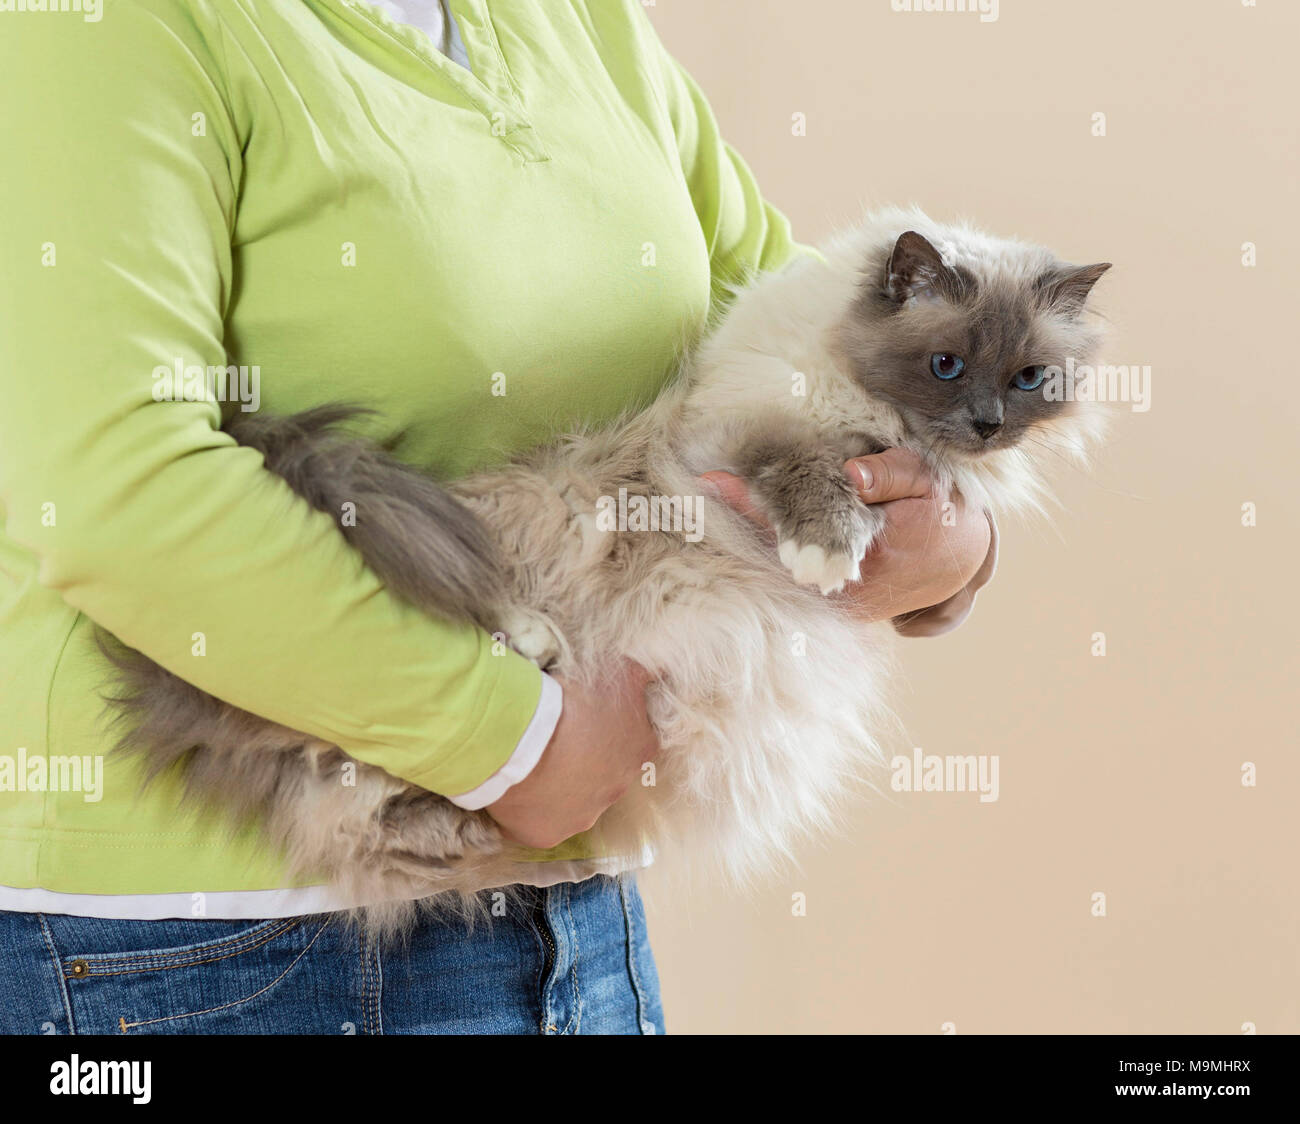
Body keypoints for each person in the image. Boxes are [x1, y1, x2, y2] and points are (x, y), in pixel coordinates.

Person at [0, 0, 992, 1035]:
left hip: (570, 918)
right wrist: (509, 739)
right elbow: (112, 486)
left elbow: (804, 327)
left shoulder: (578, 18)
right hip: (219, 938)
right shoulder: (102, 24)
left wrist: (947, 540)